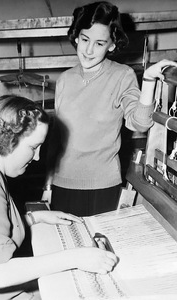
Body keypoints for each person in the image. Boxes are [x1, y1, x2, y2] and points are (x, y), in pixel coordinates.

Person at [0, 95, 118, 300]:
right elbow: (0, 274)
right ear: (7, 140)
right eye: (33, 147)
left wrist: (34, 218)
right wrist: (76, 257)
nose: (38, 157)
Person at [42, 1, 177, 217]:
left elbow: (140, 122)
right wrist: (48, 185)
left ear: (111, 45)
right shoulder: (65, 80)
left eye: (99, 43)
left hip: (102, 188)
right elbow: (55, 140)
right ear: (76, 37)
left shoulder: (122, 76)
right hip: (62, 185)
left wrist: (149, 81)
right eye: (85, 39)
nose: (88, 50)